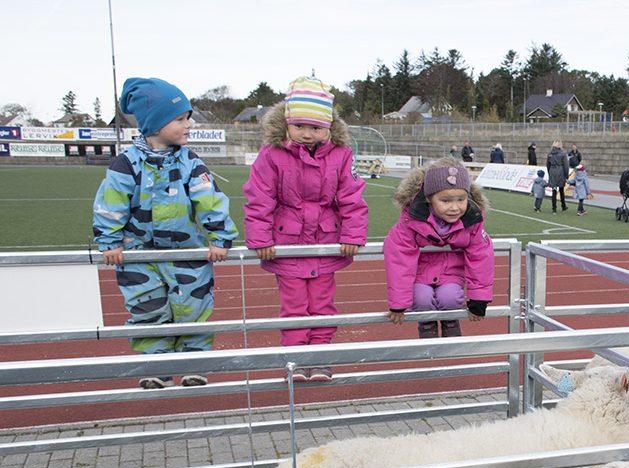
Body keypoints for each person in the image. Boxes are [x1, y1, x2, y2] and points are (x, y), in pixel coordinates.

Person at [92, 77, 238, 390]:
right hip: (139, 254)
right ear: (156, 124)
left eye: (187, 117)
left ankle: (193, 361)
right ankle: (156, 364)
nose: (189, 124)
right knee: (147, 307)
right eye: (180, 119)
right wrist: (110, 241)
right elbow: (110, 204)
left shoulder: (190, 162)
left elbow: (209, 199)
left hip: (186, 252)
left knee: (193, 306)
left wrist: (220, 238)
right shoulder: (126, 164)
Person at [243, 76, 369, 382]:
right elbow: (259, 197)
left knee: (323, 304)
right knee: (295, 305)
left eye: (315, 127)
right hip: (287, 244)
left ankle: (320, 357)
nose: (306, 134)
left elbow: (351, 197)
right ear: (287, 123)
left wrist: (352, 235)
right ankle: (297, 359)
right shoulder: (271, 154)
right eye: (299, 126)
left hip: (324, 242)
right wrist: (260, 238)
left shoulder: (341, 155)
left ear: (328, 127)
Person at [384, 158, 494, 339]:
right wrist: (398, 303)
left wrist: (479, 298)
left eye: (461, 199)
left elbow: (481, 256)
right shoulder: (411, 220)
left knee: (450, 298)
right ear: (429, 198)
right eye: (445, 200)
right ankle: (426, 324)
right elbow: (399, 257)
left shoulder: (472, 220)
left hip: (451, 273)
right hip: (421, 273)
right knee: (421, 299)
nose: (454, 207)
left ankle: (450, 321)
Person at [546, 140, 570, 213]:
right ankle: (563, 205)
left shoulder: (549, 154)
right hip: (560, 172)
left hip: (552, 171)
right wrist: (566, 175)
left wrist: (550, 173)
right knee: (561, 190)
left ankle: (554, 208)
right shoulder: (563, 154)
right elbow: (566, 165)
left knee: (554, 191)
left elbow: (548, 165)